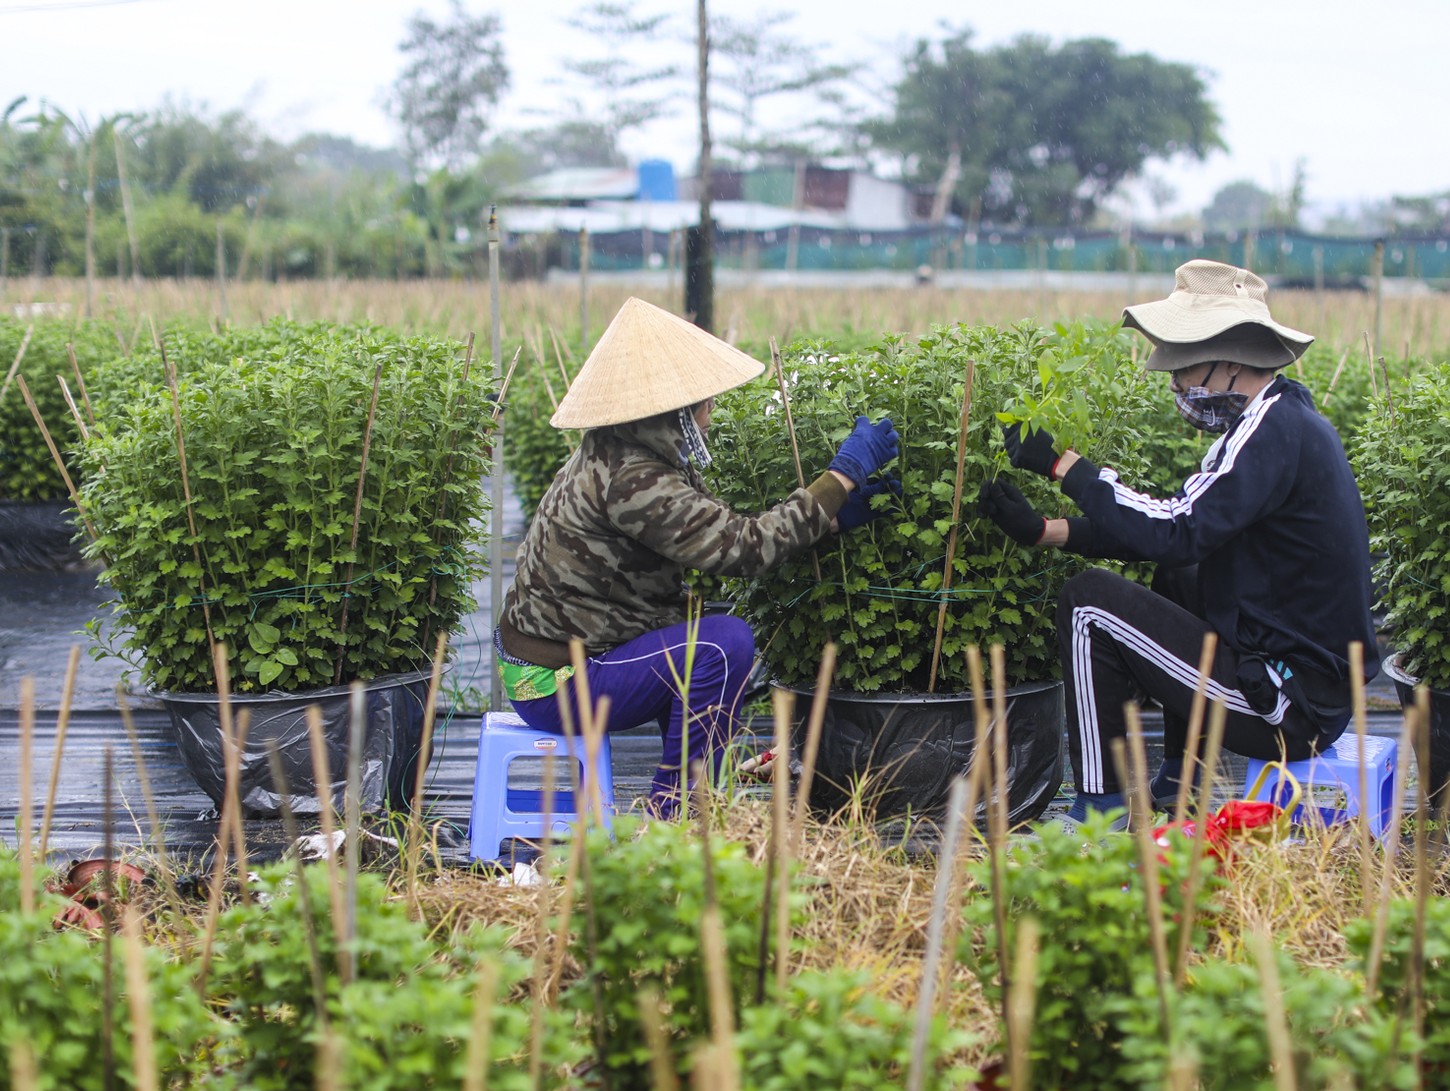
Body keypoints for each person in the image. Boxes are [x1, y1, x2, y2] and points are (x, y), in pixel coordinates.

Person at [978, 260, 1375, 823]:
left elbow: (1175, 529)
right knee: (1182, 575)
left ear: (1231, 360)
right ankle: (1179, 782)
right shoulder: (1278, 419)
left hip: (1286, 707)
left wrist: (1063, 467)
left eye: (1183, 367)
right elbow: (1178, 527)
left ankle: (1102, 816)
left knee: (1089, 603)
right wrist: (1048, 532)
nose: (1176, 385)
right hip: (1299, 686)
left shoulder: (1273, 432)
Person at [497, 297, 899, 817]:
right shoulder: (633, 479)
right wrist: (840, 476)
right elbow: (744, 548)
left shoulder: (618, 452)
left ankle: (702, 787)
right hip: (560, 685)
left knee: (705, 635)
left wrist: (833, 516)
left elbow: (717, 533)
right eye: (705, 405)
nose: (710, 418)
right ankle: (675, 807)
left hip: (562, 662)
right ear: (676, 414)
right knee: (723, 644)